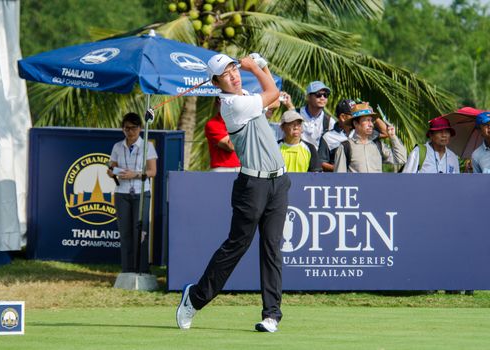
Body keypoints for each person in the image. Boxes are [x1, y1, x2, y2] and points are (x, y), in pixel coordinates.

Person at [176, 53, 290, 333]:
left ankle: (272, 315)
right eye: (226, 74)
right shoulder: (233, 105)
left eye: (234, 69)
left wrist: (261, 66)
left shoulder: (247, 96)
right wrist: (257, 65)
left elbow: (272, 99)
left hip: (279, 182)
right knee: (236, 246)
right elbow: (273, 91)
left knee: (272, 247)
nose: (234, 75)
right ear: (216, 82)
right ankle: (195, 297)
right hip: (252, 186)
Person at [107, 112, 158, 273]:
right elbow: (111, 167)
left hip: (141, 192)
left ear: (140, 128)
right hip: (122, 192)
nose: (130, 131)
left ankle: (142, 268)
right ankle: (127, 269)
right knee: (125, 232)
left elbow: (152, 172)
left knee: (140, 231)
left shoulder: (147, 146)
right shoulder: (117, 146)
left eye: (134, 128)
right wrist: (111, 172)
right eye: (126, 128)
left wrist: (134, 174)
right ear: (122, 129)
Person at [334, 102, 406, 173]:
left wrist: (393, 137)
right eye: (367, 120)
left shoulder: (378, 145)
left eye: (371, 121)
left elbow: (401, 160)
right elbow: (340, 178)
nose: (371, 124)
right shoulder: (345, 147)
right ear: (355, 123)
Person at [281, 81, 335, 148]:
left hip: (317, 158)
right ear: (308, 97)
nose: (322, 98)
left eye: (326, 95)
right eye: (318, 94)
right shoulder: (297, 114)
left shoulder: (330, 121)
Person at [318, 99, 355, 172]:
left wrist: (369, 112)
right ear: (343, 117)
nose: (357, 117)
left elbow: (384, 132)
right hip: (338, 181)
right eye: (354, 114)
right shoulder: (327, 137)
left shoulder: (360, 132)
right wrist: (341, 168)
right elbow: (321, 162)